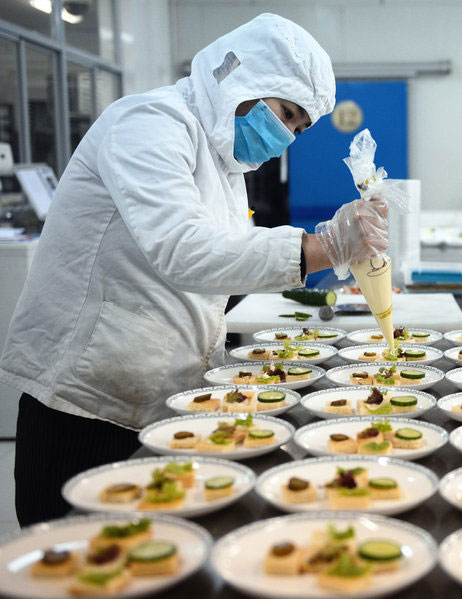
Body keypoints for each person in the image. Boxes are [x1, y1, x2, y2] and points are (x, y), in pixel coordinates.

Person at [0, 14, 387, 526]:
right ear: (242, 76)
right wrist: (323, 247)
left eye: (297, 128)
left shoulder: (226, 164)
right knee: (76, 561)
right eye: (286, 113)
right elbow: (184, 250)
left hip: (160, 397)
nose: (286, 137)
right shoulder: (147, 123)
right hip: (87, 402)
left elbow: (230, 251)